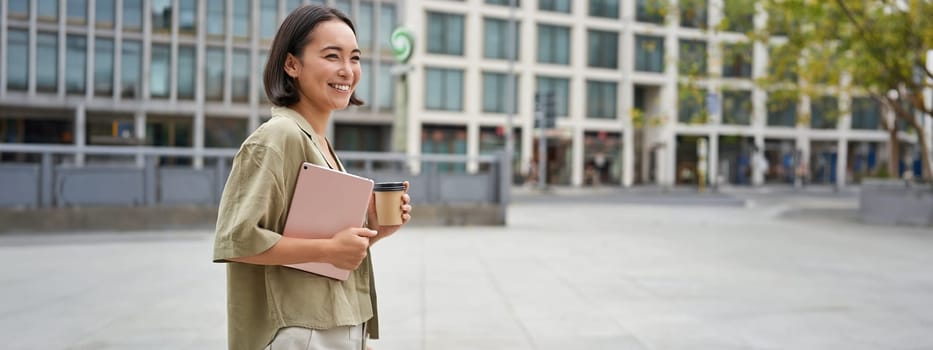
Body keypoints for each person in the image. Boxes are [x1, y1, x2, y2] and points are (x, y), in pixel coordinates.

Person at [212, 5, 412, 350]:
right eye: (332, 56)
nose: (347, 71)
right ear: (292, 64)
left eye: (355, 58)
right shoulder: (277, 137)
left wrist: (373, 232)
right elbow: (238, 239)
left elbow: (319, 251)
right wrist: (330, 249)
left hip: (335, 321)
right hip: (300, 331)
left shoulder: (318, 142)